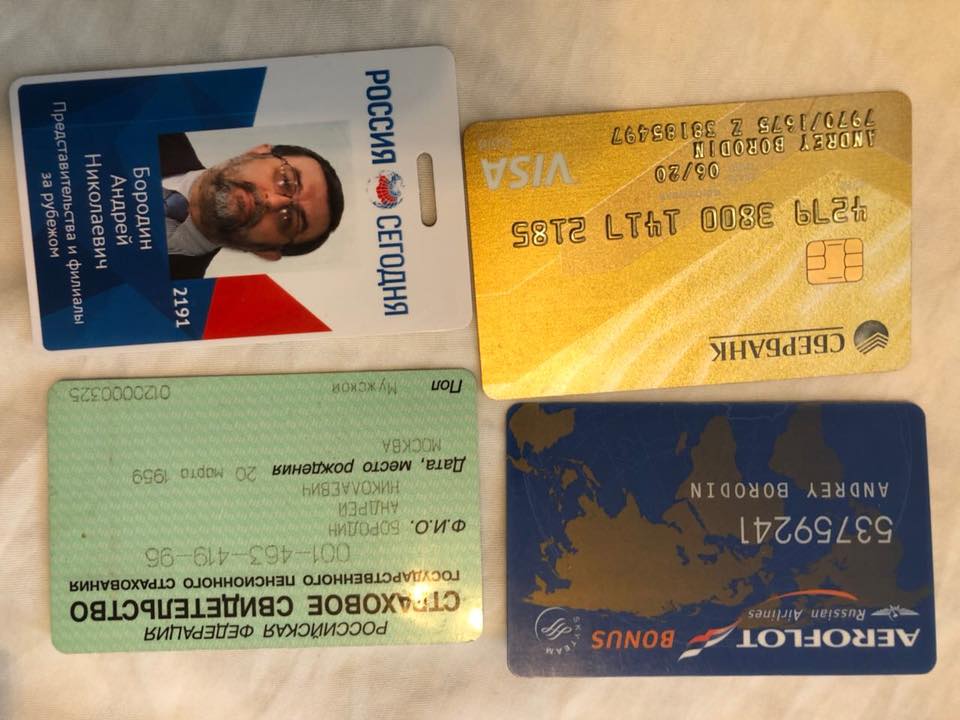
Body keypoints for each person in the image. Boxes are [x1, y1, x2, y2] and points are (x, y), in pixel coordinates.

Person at [159, 132, 345, 280]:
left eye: (287, 219)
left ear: (266, 253)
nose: (273, 201)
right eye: (286, 181)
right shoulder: (155, 121)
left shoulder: (169, 304)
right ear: (257, 153)